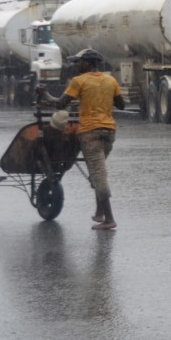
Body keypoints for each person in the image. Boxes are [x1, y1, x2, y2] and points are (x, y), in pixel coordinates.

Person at [39, 49, 125, 230]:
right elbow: (121, 104)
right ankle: (99, 213)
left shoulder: (79, 81)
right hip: (109, 132)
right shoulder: (110, 80)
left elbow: (61, 104)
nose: (76, 65)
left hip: (90, 133)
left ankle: (109, 219)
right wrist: (102, 98)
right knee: (97, 169)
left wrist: (45, 93)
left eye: (78, 62)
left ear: (87, 63)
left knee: (98, 174)